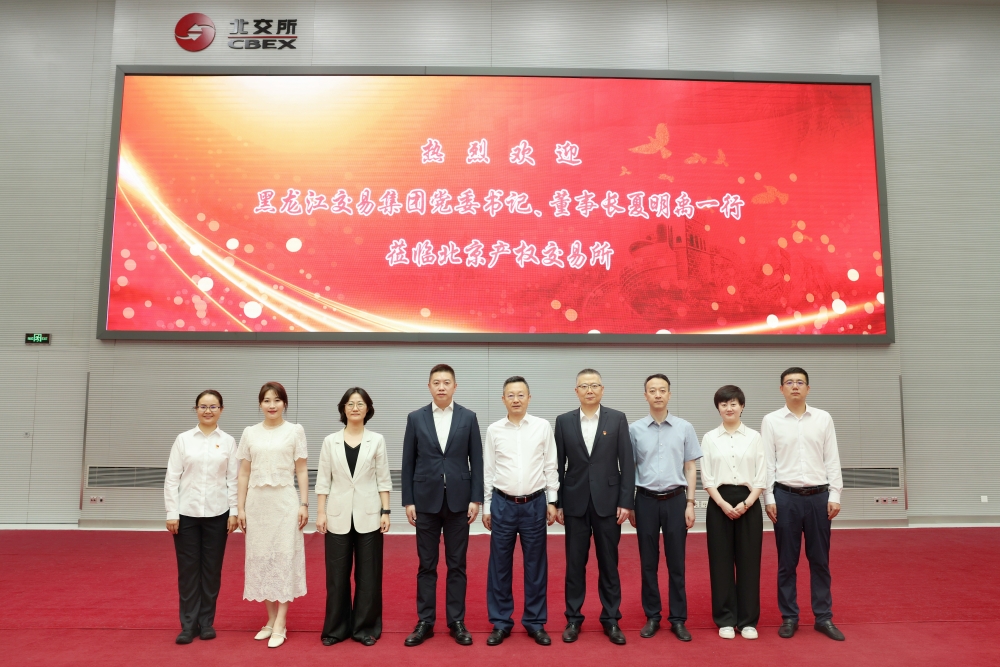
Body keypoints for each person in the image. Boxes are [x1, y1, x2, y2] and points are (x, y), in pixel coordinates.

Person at [401, 364, 484, 647]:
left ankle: (456, 621)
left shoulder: (468, 417)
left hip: (460, 502)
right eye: (436, 382)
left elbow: (477, 460)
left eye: (446, 382)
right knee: (427, 565)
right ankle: (425, 621)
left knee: (457, 564)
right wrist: (408, 500)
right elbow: (408, 462)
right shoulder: (416, 418)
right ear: (429, 386)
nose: (441, 387)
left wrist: (476, 498)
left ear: (455, 386)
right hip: (425, 501)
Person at [763, 367, 845, 641]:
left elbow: (832, 458)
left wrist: (835, 494)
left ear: (808, 389)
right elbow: (768, 462)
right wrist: (769, 498)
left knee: (820, 560)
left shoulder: (823, 418)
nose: (795, 386)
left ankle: (823, 617)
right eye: (789, 382)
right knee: (787, 562)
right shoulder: (771, 421)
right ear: (781, 389)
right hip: (785, 498)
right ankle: (789, 617)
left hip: (819, 498)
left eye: (800, 382)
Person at [555, 369, 634, 645]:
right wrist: (558, 502)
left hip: (609, 503)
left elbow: (627, 462)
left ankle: (611, 619)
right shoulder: (563, 421)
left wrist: (626, 501)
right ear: (576, 391)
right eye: (584, 386)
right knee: (575, 565)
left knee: (609, 564)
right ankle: (573, 619)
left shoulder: (617, 418)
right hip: (575, 502)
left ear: (602, 389)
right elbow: (558, 465)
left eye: (594, 385)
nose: (589, 390)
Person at [482, 376, 559, 646]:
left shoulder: (542, 426)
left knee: (535, 565)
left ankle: (535, 622)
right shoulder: (494, 430)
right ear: (503, 399)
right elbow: (489, 470)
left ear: (529, 398)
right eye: (511, 395)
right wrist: (487, 506)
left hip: (535, 504)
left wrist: (552, 500)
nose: (516, 399)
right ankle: (501, 622)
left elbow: (550, 465)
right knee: (500, 566)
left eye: (521, 394)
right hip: (502, 504)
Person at [316, 387, 392, 646]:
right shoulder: (330, 441)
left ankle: (364, 628)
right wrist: (321, 512)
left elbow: (383, 479)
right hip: (336, 515)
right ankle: (336, 629)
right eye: (350, 403)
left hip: (369, 514)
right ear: (343, 409)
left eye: (360, 403)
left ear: (367, 409)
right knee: (336, 576)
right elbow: (323, 480)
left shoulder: (376, 440)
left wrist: (386, 511)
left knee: (368, 576)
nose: (355, 408)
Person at [628, 374, 701, 642]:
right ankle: (653, 616)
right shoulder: (634, 430)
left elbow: (690, 467)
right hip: (645, 501)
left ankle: (678, 619)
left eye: (662, 390)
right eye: (652, 390)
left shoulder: (684, 427)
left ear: (669, 394)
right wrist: (630, 504)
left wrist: (690, 503)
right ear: (645, 395)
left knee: (676, 563)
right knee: (648, 562)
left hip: (676, 501)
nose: (657, 395)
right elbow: (630, 469)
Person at [236, 381, 309, 649]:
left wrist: (304, 504)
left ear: (284, 403)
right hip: (257, 505)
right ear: (260, 404)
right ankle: (269, 619)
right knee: (261, 559)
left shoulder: (295, 431)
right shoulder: (249, 433)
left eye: (277, 400)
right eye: (267, 400)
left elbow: (301, 470)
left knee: (283, 557)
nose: (272, 405)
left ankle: (281, 621)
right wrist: (240, 508)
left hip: (285, 504)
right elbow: (244, 473)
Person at [164, 389, 239, 645]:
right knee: (187, 571)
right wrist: (171, 512)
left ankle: (206, 622)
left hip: (218, 514)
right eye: (203, 406)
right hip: (186, 514)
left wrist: (234, 511)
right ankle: (188, 625)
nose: (208, 411)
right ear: (196, 409)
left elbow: (233, 479)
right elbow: (172, 478)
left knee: (211, 570)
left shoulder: (228, 441)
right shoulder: (183, 439)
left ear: (221, 410)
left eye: (213, 406)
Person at [701, 385, 765, 640]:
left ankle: (748, 621)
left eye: (734, 404)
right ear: (718, 408)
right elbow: (706, 477)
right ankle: (725, 619)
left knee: (749, 562)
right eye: (724, 404)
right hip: (719, 504)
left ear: (742, 406)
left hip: (749, 502)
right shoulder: (709, 438)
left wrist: (747, 503)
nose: (729, 408)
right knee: (721, 563)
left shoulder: (755, 437)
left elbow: (761, 475)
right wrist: (722, 503)